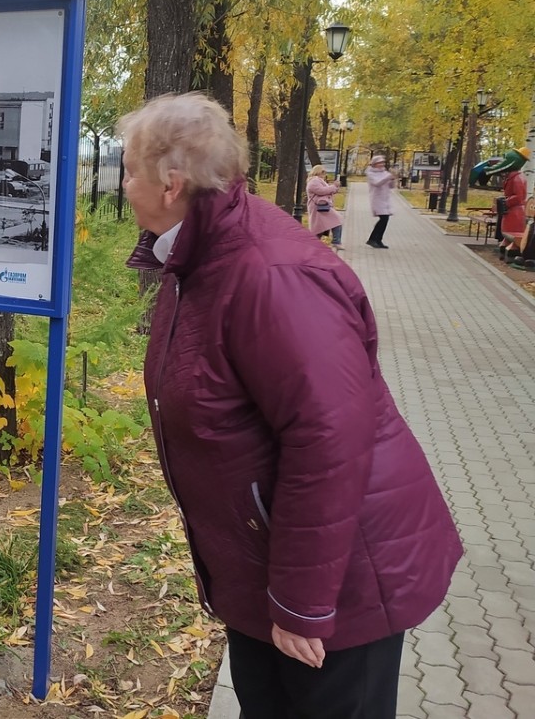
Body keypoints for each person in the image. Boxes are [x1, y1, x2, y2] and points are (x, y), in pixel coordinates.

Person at [117, 93, 461, 719]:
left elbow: (330, 440)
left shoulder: (270, 274)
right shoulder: (200, 254)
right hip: (266, 567)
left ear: (170, 184)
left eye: (128, 170)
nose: (123, 184)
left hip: (340, 587)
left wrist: (302, 602)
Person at [305, 164, 343, 250]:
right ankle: (336, 242)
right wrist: (333, 187)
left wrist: (335, 187)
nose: (324, 174)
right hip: (318, 207)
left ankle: (313, 244)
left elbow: (327, 190)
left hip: (322, 207)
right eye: (323, 172)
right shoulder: (314, 181)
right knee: (336, 220)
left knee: (320, 227)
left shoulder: (319, 180)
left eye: (324, 172)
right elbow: (321, 191)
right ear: (317, 172)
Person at [365, 154, 396, 248]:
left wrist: (393, 179)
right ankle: (372, 239)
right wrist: (388, 177)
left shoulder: (385, 173)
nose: (382, 164)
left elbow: (391, 186)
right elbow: (377, 183)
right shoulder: (370, 173)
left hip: (385, 199)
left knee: (385, 219)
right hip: (377, 198)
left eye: (383, 162)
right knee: (384, 218)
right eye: (379, 163)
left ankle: (378, 240)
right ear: (374, 164)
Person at [499, 166, 529, 262]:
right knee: (508, 231)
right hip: (511, 211)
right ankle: (506, 246)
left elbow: (519, 197)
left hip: (516, 211)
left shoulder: (517, 178)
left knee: (514, 231)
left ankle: (513, 250)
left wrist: (506, 202)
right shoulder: (512, 177)